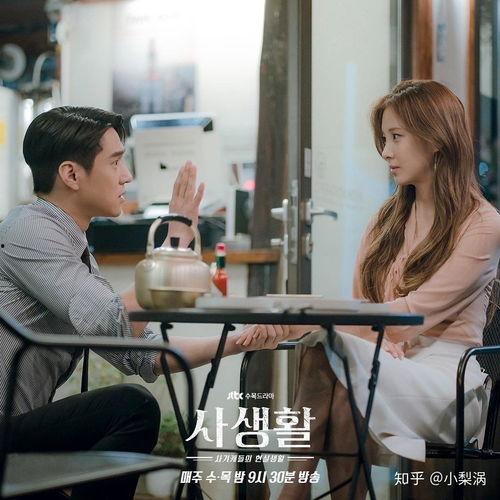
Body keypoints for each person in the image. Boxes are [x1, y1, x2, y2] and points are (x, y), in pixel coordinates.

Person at [239, 80, 500, 499]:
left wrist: (313, 325)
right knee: (339, 375)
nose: (386, 152)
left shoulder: (483, 224)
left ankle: (292, 492)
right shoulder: (386, 221)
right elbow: (365, 307)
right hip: (386, 360)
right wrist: (371, 337)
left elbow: (409, 316)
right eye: (384, 138)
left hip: (449, 383)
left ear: (436, 138)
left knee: (330, 350)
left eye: (397, 137)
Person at [0, 106, 275, 500]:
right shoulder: (29, 230)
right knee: (132, 407)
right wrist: (173, 243)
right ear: (71, 174)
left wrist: (237, 341)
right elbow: (112, 321)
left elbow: (141, 355)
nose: (127, 175)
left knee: (132, 406)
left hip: (16, 433)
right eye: (115, 161)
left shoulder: (72, 248)